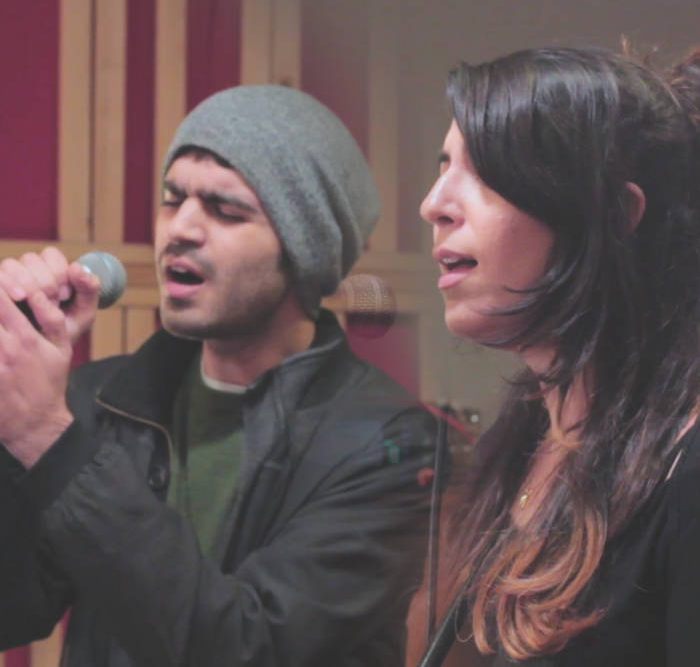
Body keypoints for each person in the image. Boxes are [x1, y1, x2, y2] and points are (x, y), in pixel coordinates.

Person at [0, 85, 437, 666]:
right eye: (171, 199)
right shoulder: (99, 399)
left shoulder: (389, 445)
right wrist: (12, 431)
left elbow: (247, 647)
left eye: (226, 210)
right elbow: (13, 608)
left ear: (304, 250)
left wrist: (47, 440)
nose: (180, 228)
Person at [417, 46, 700, 666]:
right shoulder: (519, 437)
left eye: (483, 173)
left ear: (615, 214)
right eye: (444, 168)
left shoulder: (686, 474)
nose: (433, 204)